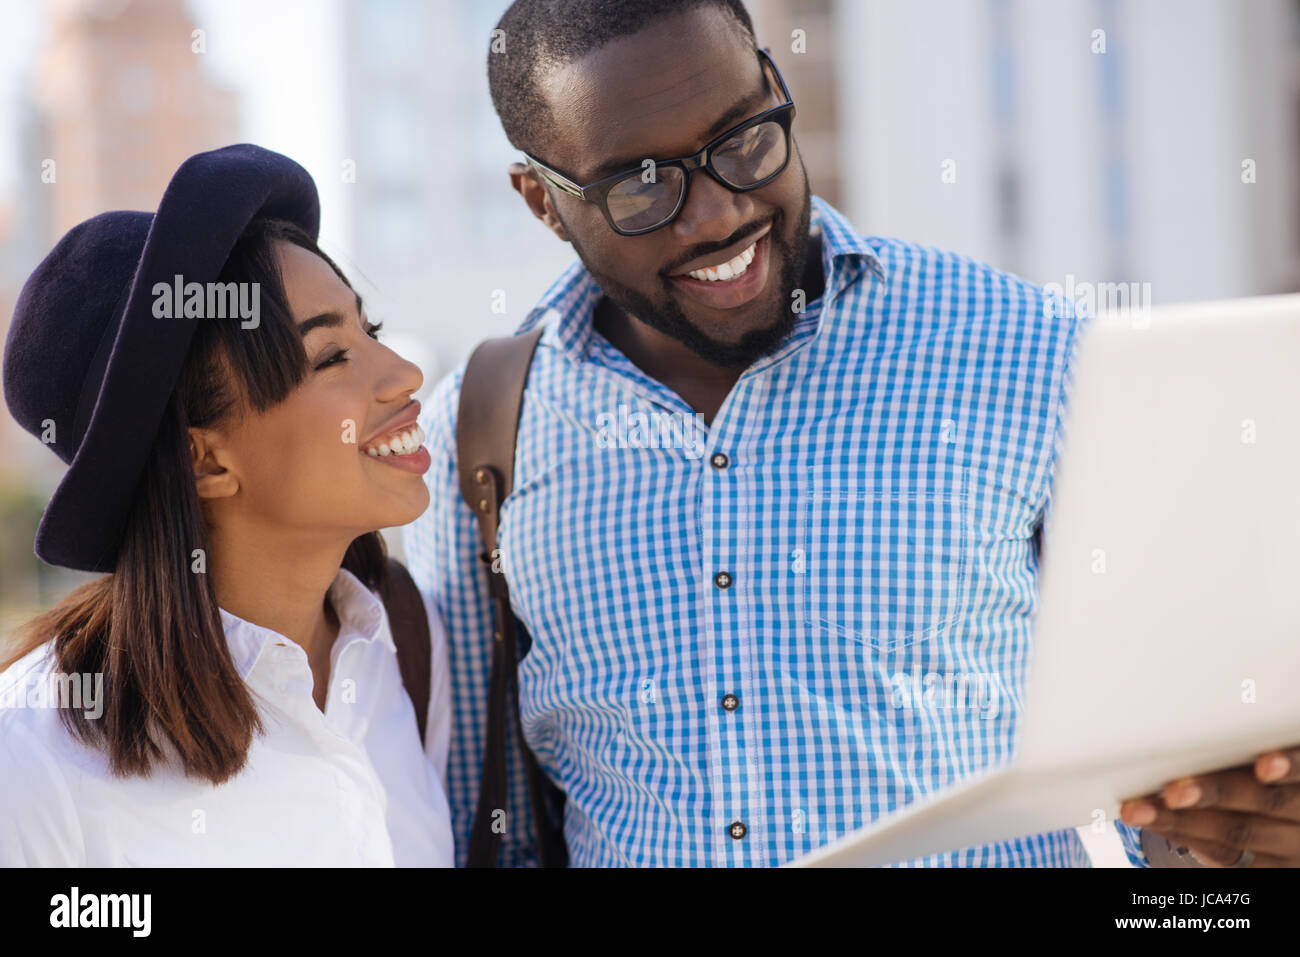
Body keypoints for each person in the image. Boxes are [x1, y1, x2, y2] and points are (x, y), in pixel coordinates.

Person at [406, 0, 1300, 867]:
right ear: (541, 200)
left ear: (772, 84)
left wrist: (1249, 844)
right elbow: (491, 833)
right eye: (642, 185)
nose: (719, 215)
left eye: (745, 140)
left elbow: (1180, 808)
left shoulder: (1037, 357)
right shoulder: (481, 431)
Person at [0, 144, 453, 866]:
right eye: (331, 357)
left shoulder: (406, 641)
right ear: (204, 458)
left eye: (367, 331)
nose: (404, 374)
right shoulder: (33, 761)